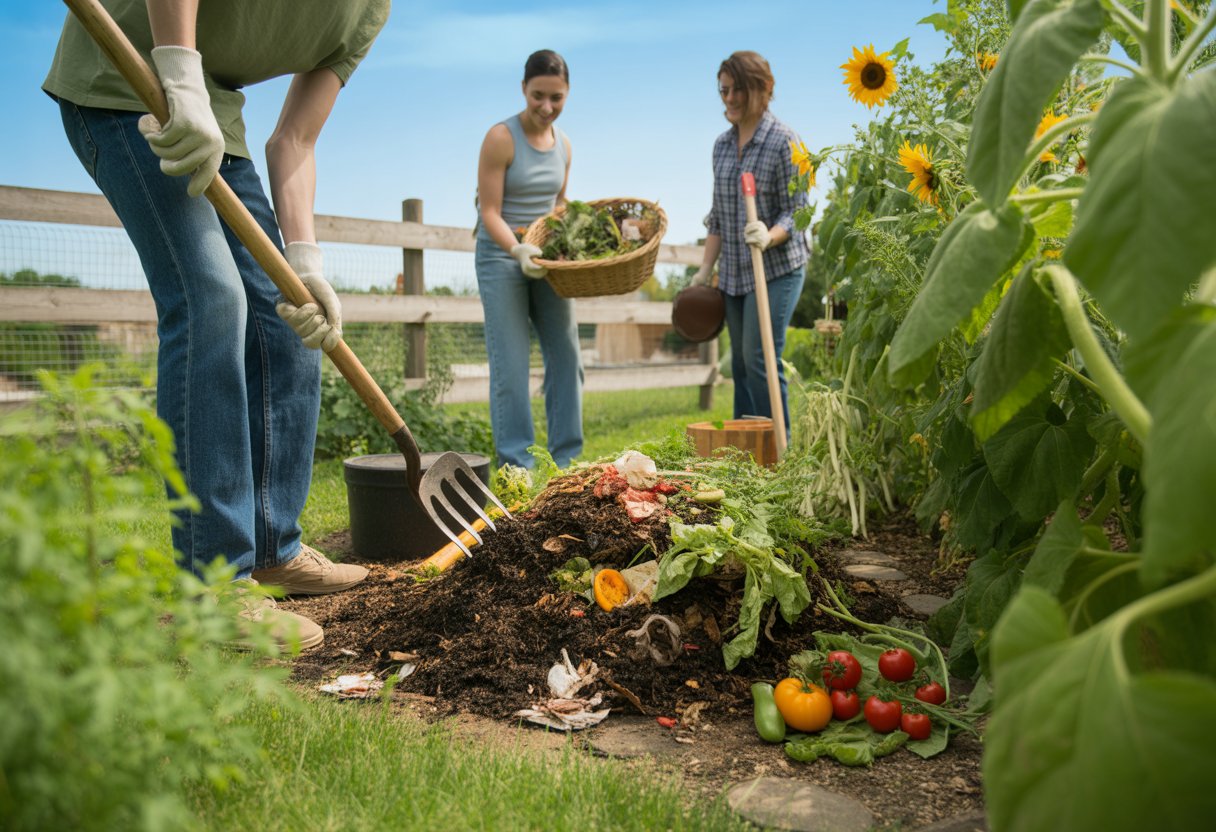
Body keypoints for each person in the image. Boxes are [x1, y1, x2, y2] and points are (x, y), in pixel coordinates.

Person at [43, 0, 391, 648]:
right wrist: (177, 74)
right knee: (211, 300)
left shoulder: (369, 13)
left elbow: (294, 140)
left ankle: (270, 549)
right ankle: (210, 584)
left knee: (288, 320)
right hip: (121, 78)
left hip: (214, 118)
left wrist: (305, 261)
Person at [475, 50, 584, 470]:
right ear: (524, 89)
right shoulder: (501, 138)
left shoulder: (565, 147)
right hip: (502, 256)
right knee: (511, 364)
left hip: (547, 259)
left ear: (567, 93)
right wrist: (518, 249)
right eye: (538, 96)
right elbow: (489, 211)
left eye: (556, 98)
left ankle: (568, 460)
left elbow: (557, 203)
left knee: (567, 355)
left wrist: (573, 225)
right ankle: (517, 466)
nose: (546, 107)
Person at [691, 51, 809, 436]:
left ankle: (780, 451)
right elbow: (719, 216)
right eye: (724, 90)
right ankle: (746, 450)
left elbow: (798, 212)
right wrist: (705, 269)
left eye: (738, 90)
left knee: (760, 357)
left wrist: (769, 234)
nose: (729, 98)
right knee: (738, 363)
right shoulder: (721, 146)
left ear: (763, 89)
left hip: (778, 268)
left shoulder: (786, 141)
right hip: (735, 274)